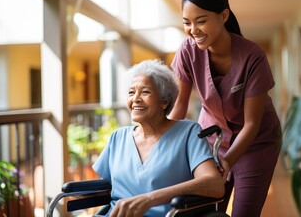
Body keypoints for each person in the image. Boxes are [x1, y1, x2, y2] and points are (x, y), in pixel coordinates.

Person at [168, 0, 282, 217]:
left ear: (224, 15)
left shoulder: (253, 57)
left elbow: (251, 124)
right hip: (212, 141)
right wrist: (158, 143)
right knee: (204, 211)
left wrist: (226, 162)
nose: (193, 30)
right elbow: (179, 106)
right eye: (187, 23)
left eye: (201, 21)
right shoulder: (187, 51)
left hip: (256, 143)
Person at [92, 59, 225, 217]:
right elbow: (101, 188)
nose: (136, 99)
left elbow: (214, 184)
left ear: (164, 101)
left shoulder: (188, 132)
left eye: (145, 92)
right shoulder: (118, 137)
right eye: (131, 92)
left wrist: (151, 198)